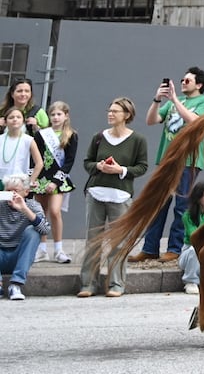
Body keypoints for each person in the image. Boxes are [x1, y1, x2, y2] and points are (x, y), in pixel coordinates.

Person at [130, 67, 204, 264]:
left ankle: (174, 248)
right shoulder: (173, 103)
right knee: (157, 204)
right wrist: (157, 99)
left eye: (187, 80)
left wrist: (175, 100)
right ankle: (150, 248)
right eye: (182, 80)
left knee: (180, 206)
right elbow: (152, 120)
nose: (183, 82)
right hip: (166, 160)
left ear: (199, 85)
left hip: (187, 160)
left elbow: (196, 121)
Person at [78, 97, 150, 298]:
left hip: (121, 195)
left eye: (115, 111)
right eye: (109, 111)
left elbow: (142, 166)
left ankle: (116, 284)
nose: (110, 114)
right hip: (96, 193)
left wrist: (121, 170)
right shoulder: (98, 137)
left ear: (127, 115)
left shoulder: (138, 140)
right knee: (93, 240)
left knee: (118, 242)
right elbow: (87, 162)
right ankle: (88, 284)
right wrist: (98, 166)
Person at [34, 101, 78, 263]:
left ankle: (58, 249)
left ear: (66, 116)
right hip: (41, 179)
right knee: (40, 214)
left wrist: (55, 181)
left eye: (59, 114)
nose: (55, 117)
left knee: (54, 211)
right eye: (52, 114)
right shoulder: (41, 134)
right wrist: (34, 179)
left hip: (58, 180)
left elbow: (69, 161)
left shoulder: (71, 135)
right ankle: (42, 249)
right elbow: (35, 157)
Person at [0, 172, 50, 300]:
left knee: (33, 231)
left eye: (15, 191)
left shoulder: (33, 206)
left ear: (26, 192)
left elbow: (45, 230)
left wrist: (24, 209)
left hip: (19, 256)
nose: (12, 194)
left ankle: (16, 285)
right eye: (8, 190)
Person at [0, 108, 41, 190]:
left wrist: (30, 181)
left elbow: (39, 163)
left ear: (23, 121)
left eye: (18, 117)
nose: (15, 119)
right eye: (11, 117)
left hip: (19, 182)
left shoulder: (28, 140)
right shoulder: (1, 139)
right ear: (5, 122)